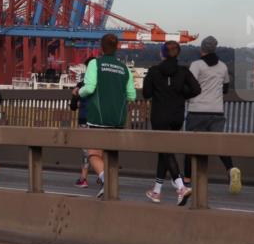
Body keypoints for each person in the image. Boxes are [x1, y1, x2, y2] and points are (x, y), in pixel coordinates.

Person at [77, 33, 137, 198]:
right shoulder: (124, 68)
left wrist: (77, 93)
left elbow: (89, 88)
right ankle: (107, 184)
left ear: (101, 48)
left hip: (98, 118)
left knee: (93, 154)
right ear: (117, 48)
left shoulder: (95, 63)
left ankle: (107, 182)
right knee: (109, 155)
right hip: (118, 119)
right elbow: (132, 95)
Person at [142, 41, 201, 205]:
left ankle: (181, 187)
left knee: (165, 151)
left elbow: (146, 94)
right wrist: (181, 93)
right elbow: (196, 89)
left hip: (160, 116)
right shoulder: (183, 71)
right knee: (165, 152)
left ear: (163, 53)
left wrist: (158, 90)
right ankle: (156, 191)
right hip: (176, 117)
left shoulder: (154, 71)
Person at [182, 36, 241, 193]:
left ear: (202, 48)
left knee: (191, 147)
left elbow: (189, 85)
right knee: (218, 144)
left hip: (197, 111)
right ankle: (230, 168)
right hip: (217, 111)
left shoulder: (196, 65)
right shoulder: (222, 67)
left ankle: (187, 182)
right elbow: (226, 88)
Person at [69, 57, 94, 187]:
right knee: (99, 148)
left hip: (84, 118)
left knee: (86, 150)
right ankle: (103, 176)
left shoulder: (82, 84)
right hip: (99, 120)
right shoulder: (101, 84)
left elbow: (73, 106)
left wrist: (76, 97)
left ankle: (83, 178)